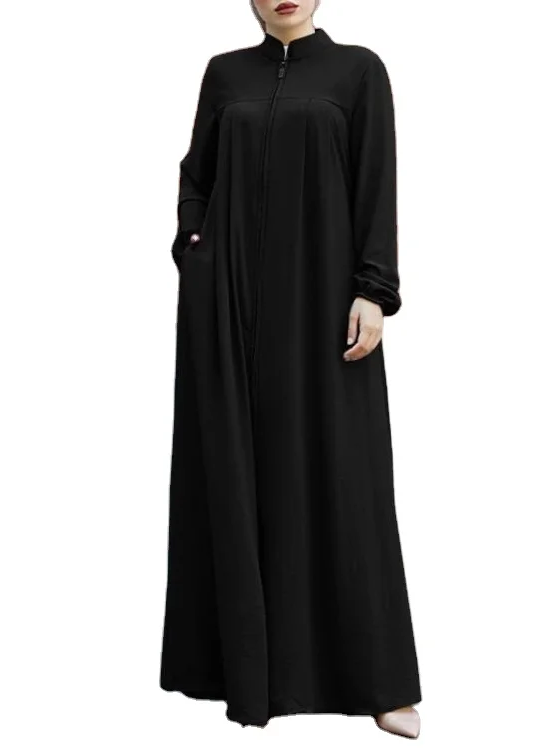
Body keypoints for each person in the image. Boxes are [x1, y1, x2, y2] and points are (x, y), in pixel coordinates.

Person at [160, 0, 422, 739]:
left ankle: (377, 682)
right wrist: (194, 251)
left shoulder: (358, 72)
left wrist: (374, 289)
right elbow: (195, 175)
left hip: (324, 305)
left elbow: (376, 181)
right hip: (228, 305)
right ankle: (239, 674)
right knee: (233, 470)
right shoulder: (224, 75)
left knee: (344, 478)